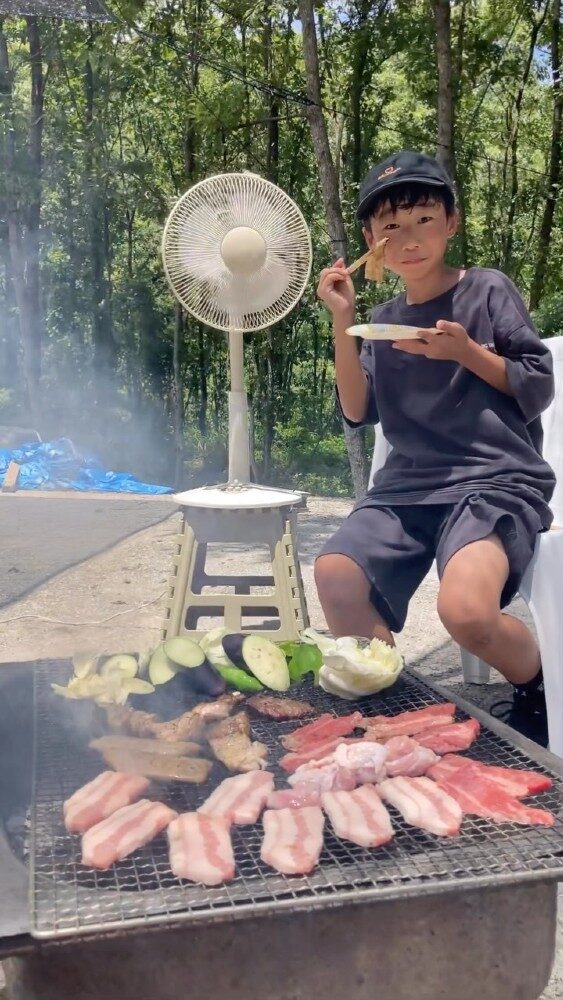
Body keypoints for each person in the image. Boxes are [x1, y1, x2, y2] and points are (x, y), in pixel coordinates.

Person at [315, 149, 555, 746]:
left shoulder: (487, 291)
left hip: (493, 479)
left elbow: (539, 382)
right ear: (373, 242)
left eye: (423, 219)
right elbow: (356, 408)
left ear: (451, 222)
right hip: (408, 486)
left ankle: (539, 684)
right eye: (391, 227)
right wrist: (343, 322)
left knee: (467, 613)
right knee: (336, 573)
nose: (409, 238)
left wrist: (466, 353)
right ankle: (394, 712)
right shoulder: (380, 319)